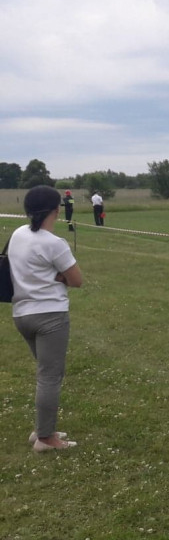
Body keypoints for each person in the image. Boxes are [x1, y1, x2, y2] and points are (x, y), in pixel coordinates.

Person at [8, 186, 84, 452]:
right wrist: (60, 276)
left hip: (22, 315)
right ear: (56, 210)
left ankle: (41, 429)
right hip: (50, 316)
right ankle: (46, 438)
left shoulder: (18, 234)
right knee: (50, 377)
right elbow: (77, 280)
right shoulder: (54, 243)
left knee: (45, 374)